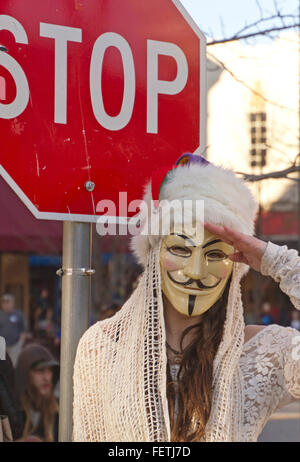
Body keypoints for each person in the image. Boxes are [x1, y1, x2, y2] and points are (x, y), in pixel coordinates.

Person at [73, 154, 300, 442]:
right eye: (180, 249)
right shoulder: (101, 348)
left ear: (236, 266)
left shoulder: (264, 353)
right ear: (154, 253)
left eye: (215, 254)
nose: (195, 271)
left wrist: (274, 260)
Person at [15, 343, 59, 442]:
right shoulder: (13, 410)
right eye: (40, 371)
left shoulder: (60, 410)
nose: (47, 377)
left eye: (50, 371)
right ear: (26, 374)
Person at [0, 294, 27, 366]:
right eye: (4, 302)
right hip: (2, 346)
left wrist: (20, 343)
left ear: (13, 303)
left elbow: (23, 330)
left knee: (13, 366)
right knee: (2, 367)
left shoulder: (18, 314)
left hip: (15, 346)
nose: (6, 304)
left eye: (8, 302)